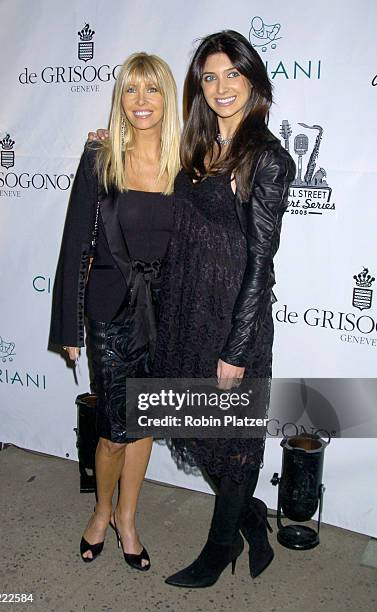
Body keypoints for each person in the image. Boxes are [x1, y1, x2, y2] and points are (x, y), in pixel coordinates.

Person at [152, 30, 295, 587]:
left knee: (231, 440)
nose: (221, 87)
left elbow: (262, 264)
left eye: (232, 74)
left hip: (236, 318)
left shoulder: (267, 159)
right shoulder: (197, 147)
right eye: (209, 77)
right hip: (189, 311)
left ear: (252, 79)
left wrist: (236, 350)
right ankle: (252, 517)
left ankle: (218, 548)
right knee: (198, 427)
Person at [49, 52, 180, 570]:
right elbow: (76, 242)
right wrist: (69, 324)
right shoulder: (99, 159)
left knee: (144, 422)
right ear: (119, 98)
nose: (141, 102)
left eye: (151, 90)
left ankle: (128, 517)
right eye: (131, 90)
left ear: (167, 98)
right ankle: (101, 509)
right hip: (109, 311)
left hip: (162, 312)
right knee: (112, 428)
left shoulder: (186, 167)